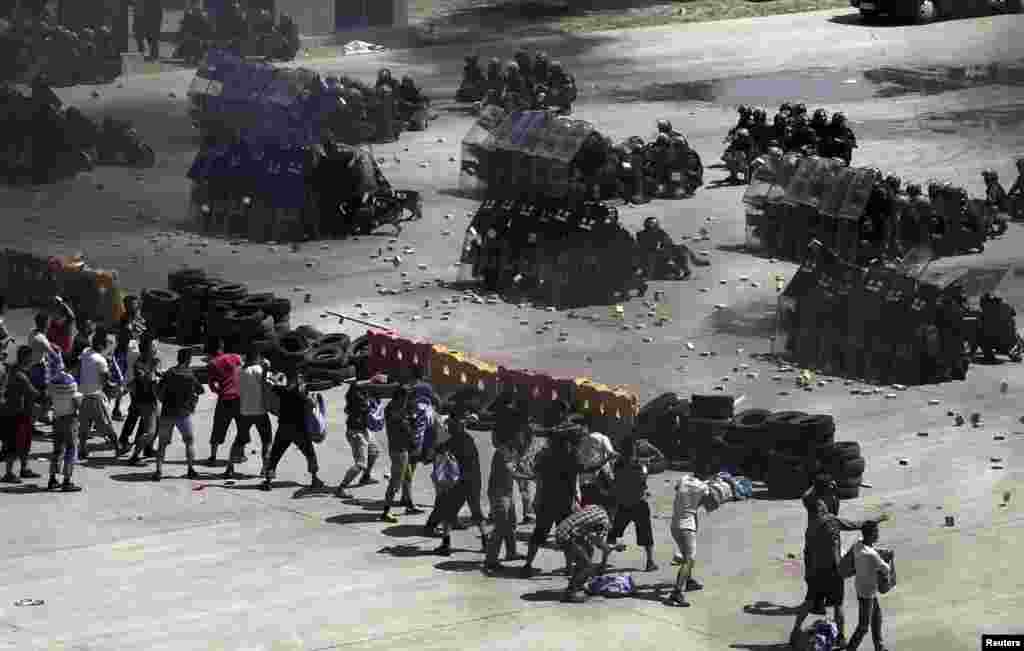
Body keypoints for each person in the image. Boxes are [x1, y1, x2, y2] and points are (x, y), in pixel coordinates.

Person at [788, 475, 890, 649]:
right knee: (838, 605)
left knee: (809, 602)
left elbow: (806, 496)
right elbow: (857, 524)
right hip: (833, 570)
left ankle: (795, 631)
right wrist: (878, 519)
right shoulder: (832, 521)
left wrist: (818, 486)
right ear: (821, 505)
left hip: (814, 570)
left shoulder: (811, 520)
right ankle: (842, 638)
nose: (824, 505)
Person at [520, 426, 580, 578]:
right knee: (567, 536)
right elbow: (573, 480)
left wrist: (537, 498)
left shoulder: (545, 455)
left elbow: (538, 477)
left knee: (538, 534)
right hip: (564, 502)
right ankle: (568, 568)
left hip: (547, 501)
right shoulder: (570, 455)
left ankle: (527, 565)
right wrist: (575, 499)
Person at [428, 401, 487, 556]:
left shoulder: (451, 438)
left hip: (460, 481)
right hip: (473, 479)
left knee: (449, 511)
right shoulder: (466, 437)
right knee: (476, 512)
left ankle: (446, 544)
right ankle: (486, 541)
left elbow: (436, 451)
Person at [145, 348, 204, 481]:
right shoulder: (190, 375)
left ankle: (158, 471)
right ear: (188, 360)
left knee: (162, 444)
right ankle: (191, 469)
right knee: (189, 441)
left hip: (167, 413)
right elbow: (200, 390)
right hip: (184, 414)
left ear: (178, 358)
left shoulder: (169, 373)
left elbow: (157, 389)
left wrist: (162, 399)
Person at [484, 399, 529, 572]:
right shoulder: (504, 451)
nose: (522, 436)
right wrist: (532, 477)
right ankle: (490, 560)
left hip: (507, 492)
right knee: (501, 527)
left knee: (511, 523)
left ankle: (511, 552)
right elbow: (513, 472)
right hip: (499, 493)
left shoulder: (511, 450)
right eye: (519, 434)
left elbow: (519, 466)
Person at [261, 368, 323, 491]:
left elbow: (268, 383)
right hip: (300, 429)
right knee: (310, 454)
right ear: (297, 379)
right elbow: (312, 405)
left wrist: (268, 372)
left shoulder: (282, 390)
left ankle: (268, 481)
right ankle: (315, 479)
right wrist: (314, 398)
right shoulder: (301, 392)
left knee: (275, 454)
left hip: (284, 428)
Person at [555, 500, 623, 603]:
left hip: (561, 529)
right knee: (587, 565)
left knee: (588, 550)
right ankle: (571, 592)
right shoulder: (604, 519)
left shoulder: (594, 507)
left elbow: (590, 534)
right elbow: (599, 542)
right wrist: (613, 547)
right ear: (612, 510)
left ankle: (579, 584)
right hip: (567, 537)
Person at [606, 437, 658, 572]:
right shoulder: (641, 465)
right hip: (639, 503)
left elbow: (613, 481)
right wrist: (651, 447)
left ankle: (603, 561)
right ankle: (650, 562)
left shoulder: (617, 465)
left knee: (612, 534)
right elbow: (663, 462)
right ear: (634, 450)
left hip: (623, 504)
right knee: (646, 534)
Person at [226, 347, 274, 480]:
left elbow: (238, 388)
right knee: (267, 441)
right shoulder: (260, 371)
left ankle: (229, 467)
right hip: (260, 412)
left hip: (244, 411)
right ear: (257, 357)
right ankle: (265, 469)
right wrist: (268, 369)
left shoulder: (239, 371)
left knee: (239, 440)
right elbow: (270, 385)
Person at [845, 521, 893, 651]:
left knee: (877, 617)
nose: (878, 534)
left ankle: (879, 646)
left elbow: (871, 549)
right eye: (876, 532)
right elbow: (886, 569)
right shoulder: (872, 556)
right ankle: (850, 648)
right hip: (867, 593)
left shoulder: (858, 545)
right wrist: (888, 556)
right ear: (871, 535)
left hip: (862, 587)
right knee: (864, 626)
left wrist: (880, 551)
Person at [336, 377, 386, 497]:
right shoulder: (353, 398)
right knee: (360, 464)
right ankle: (341, 488)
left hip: (364, 430)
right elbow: (354, 386)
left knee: (374, 452)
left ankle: (366, 477)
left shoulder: (363, 398)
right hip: (356, 434)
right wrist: (372, 379)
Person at [667, 473, 710, 607]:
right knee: (688, 560)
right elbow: (709, 502)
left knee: (687, 555)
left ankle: (689, 580)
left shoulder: (683, 479)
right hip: (687, 527)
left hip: (675, 525)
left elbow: (677, 488)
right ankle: (677, 592)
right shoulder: (702, 487)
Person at [77, 332, 119, 460]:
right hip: (96, 397)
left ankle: (82, 449)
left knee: (84, 425)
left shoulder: (86, 352)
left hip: (83, 395)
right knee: (106, 424)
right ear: (101, 345)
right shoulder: (101, 361)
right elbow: (106, 379)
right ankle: (118, 447)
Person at [2, 345, 40, 482]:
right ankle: (9, 473)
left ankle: (24, 469)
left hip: (25, 414)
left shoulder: (19, 370)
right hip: (16, 414)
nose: (32, 359)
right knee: (14, 444)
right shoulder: (19, 375)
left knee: (25, 443)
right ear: (25, 357)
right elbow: (33, 392)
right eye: (30, 357)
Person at [380, 384, 418, 521]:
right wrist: (411, 421)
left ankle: (410, 505)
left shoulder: (400, 407)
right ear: (401, 396)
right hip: (398, 450)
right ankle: (386, 511)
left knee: (407, 477)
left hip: (403, 448)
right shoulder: (393, 409)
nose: (409, 399)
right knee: (396, 481)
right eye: (407, 396)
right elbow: (403, 427)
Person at [123, 334, 161, 463]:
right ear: (147, 349)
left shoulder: (153, 361)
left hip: (152, 399)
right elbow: (145, 379)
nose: (156, 348)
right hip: (145, 401)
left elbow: (156, 377)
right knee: (148, 430)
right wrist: (153, 373)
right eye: (154, 346)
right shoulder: (139, 363)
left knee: (156, 427)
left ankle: (148, 448)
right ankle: (135, 455)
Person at [206, 338, 243, 466]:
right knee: (242, 427)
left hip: (224, 399)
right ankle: (240, 454)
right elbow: (241, 372)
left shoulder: (212, 364)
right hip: (239, 398)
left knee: (218, 428)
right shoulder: (235, 357)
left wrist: (220, 391)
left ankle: (213, 456)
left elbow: (212, 385)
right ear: (221, 347)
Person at [47, 369, 83, 491]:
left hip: (57, 418)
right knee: (71, 449)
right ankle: (66, 481)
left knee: (57, 450)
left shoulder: (53, 388)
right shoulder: (72, 388)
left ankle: (52, 480)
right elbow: (78, 404)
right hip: (70, 419)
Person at [46, 296, 76, 368]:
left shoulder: (66, 322)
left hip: (64, 353)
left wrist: (62, 304)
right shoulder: (51, 323)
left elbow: (72, 317)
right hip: (55, 354)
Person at [109, 329, 131, 422]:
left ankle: (116, 411)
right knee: (110, 396)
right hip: (116, 376)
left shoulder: (121, 350)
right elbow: (117, 364)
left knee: (117, 395)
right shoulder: (120, 351)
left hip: (118, 376)